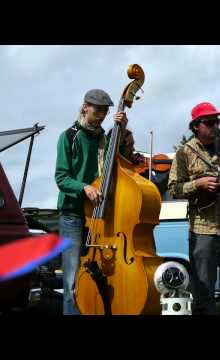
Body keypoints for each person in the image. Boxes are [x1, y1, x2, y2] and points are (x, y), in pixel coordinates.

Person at [168, 102, 220, 315]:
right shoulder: (184, 152)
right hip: (202, 229)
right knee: (203, 289)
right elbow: (173, 188)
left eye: (217, 121)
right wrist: (198, 184)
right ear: (196, 126)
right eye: (209, 122)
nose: (215, 125)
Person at [55, 89, 128, 315]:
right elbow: (61, 178)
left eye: (106, 112)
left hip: (98, 213)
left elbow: (113, 167)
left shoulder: (104, 138)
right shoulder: (68, 136)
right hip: (72, 214)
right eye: (98, 111)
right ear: (85, 106)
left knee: (102, 275)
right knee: (72, 279)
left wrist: (120, 130)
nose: (102, 116)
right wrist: (84, 187)